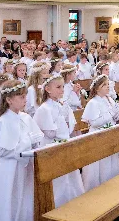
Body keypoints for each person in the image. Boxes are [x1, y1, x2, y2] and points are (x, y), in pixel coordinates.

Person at [0, 80, 44, 221]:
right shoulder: (3, 121)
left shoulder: (26, 117)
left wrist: (32, 144)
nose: (25, 100)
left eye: (25, 96)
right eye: (21, 97)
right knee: (10, 199)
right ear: (9, 100)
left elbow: (36, 139)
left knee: (25, 197)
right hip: (10, 168)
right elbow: (3, 151)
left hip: (26, 166)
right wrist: (25, 144)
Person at [33, 74, 85, 207]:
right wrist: (61, 118)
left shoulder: (61, 105)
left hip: (63, 144)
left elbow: (70, 126)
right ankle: (57, 206)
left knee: (69, 177)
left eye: (62, 87)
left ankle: (71, 203)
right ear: (48, 89)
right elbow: (50, 132)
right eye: (58, 87)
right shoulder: (44, 108)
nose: (62, 90)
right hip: (51, 147)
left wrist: (66, 119)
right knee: (58, 180)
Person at [81, 74, 119, 191]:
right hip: (98, 136)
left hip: (109, 133)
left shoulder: (108, 99)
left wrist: (115, 114)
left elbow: (116, 116)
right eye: (104, 85)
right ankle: (98, 188)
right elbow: (95, 123)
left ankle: (111, 185)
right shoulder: (93, 103)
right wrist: (110, 114)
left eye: (108, 84)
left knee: (110, 160)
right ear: (97, 88)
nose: (108, 87)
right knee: (100, 164)